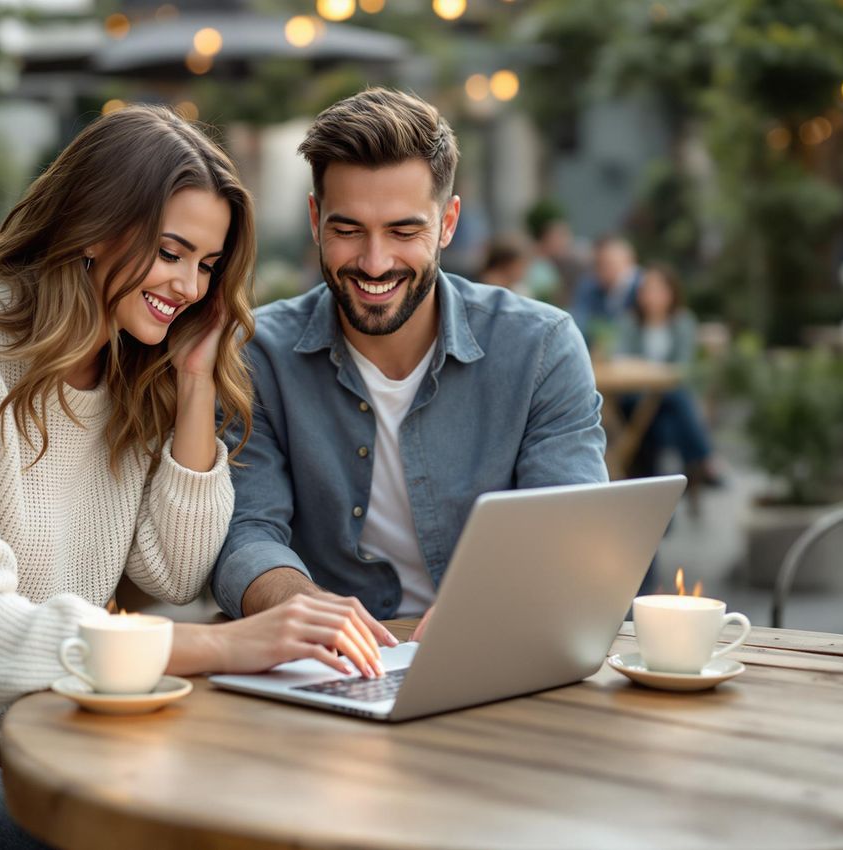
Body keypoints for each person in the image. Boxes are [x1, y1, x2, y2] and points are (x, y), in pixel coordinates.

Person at [0, 106, 386, 850]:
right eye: (170, 251)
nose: (190, 286)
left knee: (270, 808)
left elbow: (175, 569)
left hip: (50, 737)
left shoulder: (131, 367)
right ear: (94, 226)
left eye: (207, 264)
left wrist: (195, 382)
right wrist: (230, 646)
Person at [211, 88, 607, 645]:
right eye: (348, 230)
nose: (375, 263)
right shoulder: (258, 356)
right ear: (314, 217)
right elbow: (246, 533)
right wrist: (307, 609)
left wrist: (487, 607)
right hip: (324, 664)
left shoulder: (541, 347)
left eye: (404, 231)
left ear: (447, 223)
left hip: (497, 649)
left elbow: (569, 527)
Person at [614, 263, 721, 487]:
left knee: (660, 427)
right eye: (647, 290)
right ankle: (704, 459)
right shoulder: (630, 322)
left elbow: (683, 367)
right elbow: (621, 359)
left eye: (658, 290)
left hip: (665, 401)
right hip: (636, 396)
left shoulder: (682, 322)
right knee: (675, 400)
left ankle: (658, 491)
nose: (652, 296)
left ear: (671, 293)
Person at [570, 235, 642, 349]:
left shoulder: (644, 287)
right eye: (598, 264)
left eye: (609, 264)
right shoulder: (590, 285)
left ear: (629, 262)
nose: (602, 270)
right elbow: (578, 321)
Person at [522, 201, 583, 305]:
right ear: (546, 238)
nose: (566, 241)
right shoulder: (532, 266)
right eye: (561, 236)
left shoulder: (549, 265)